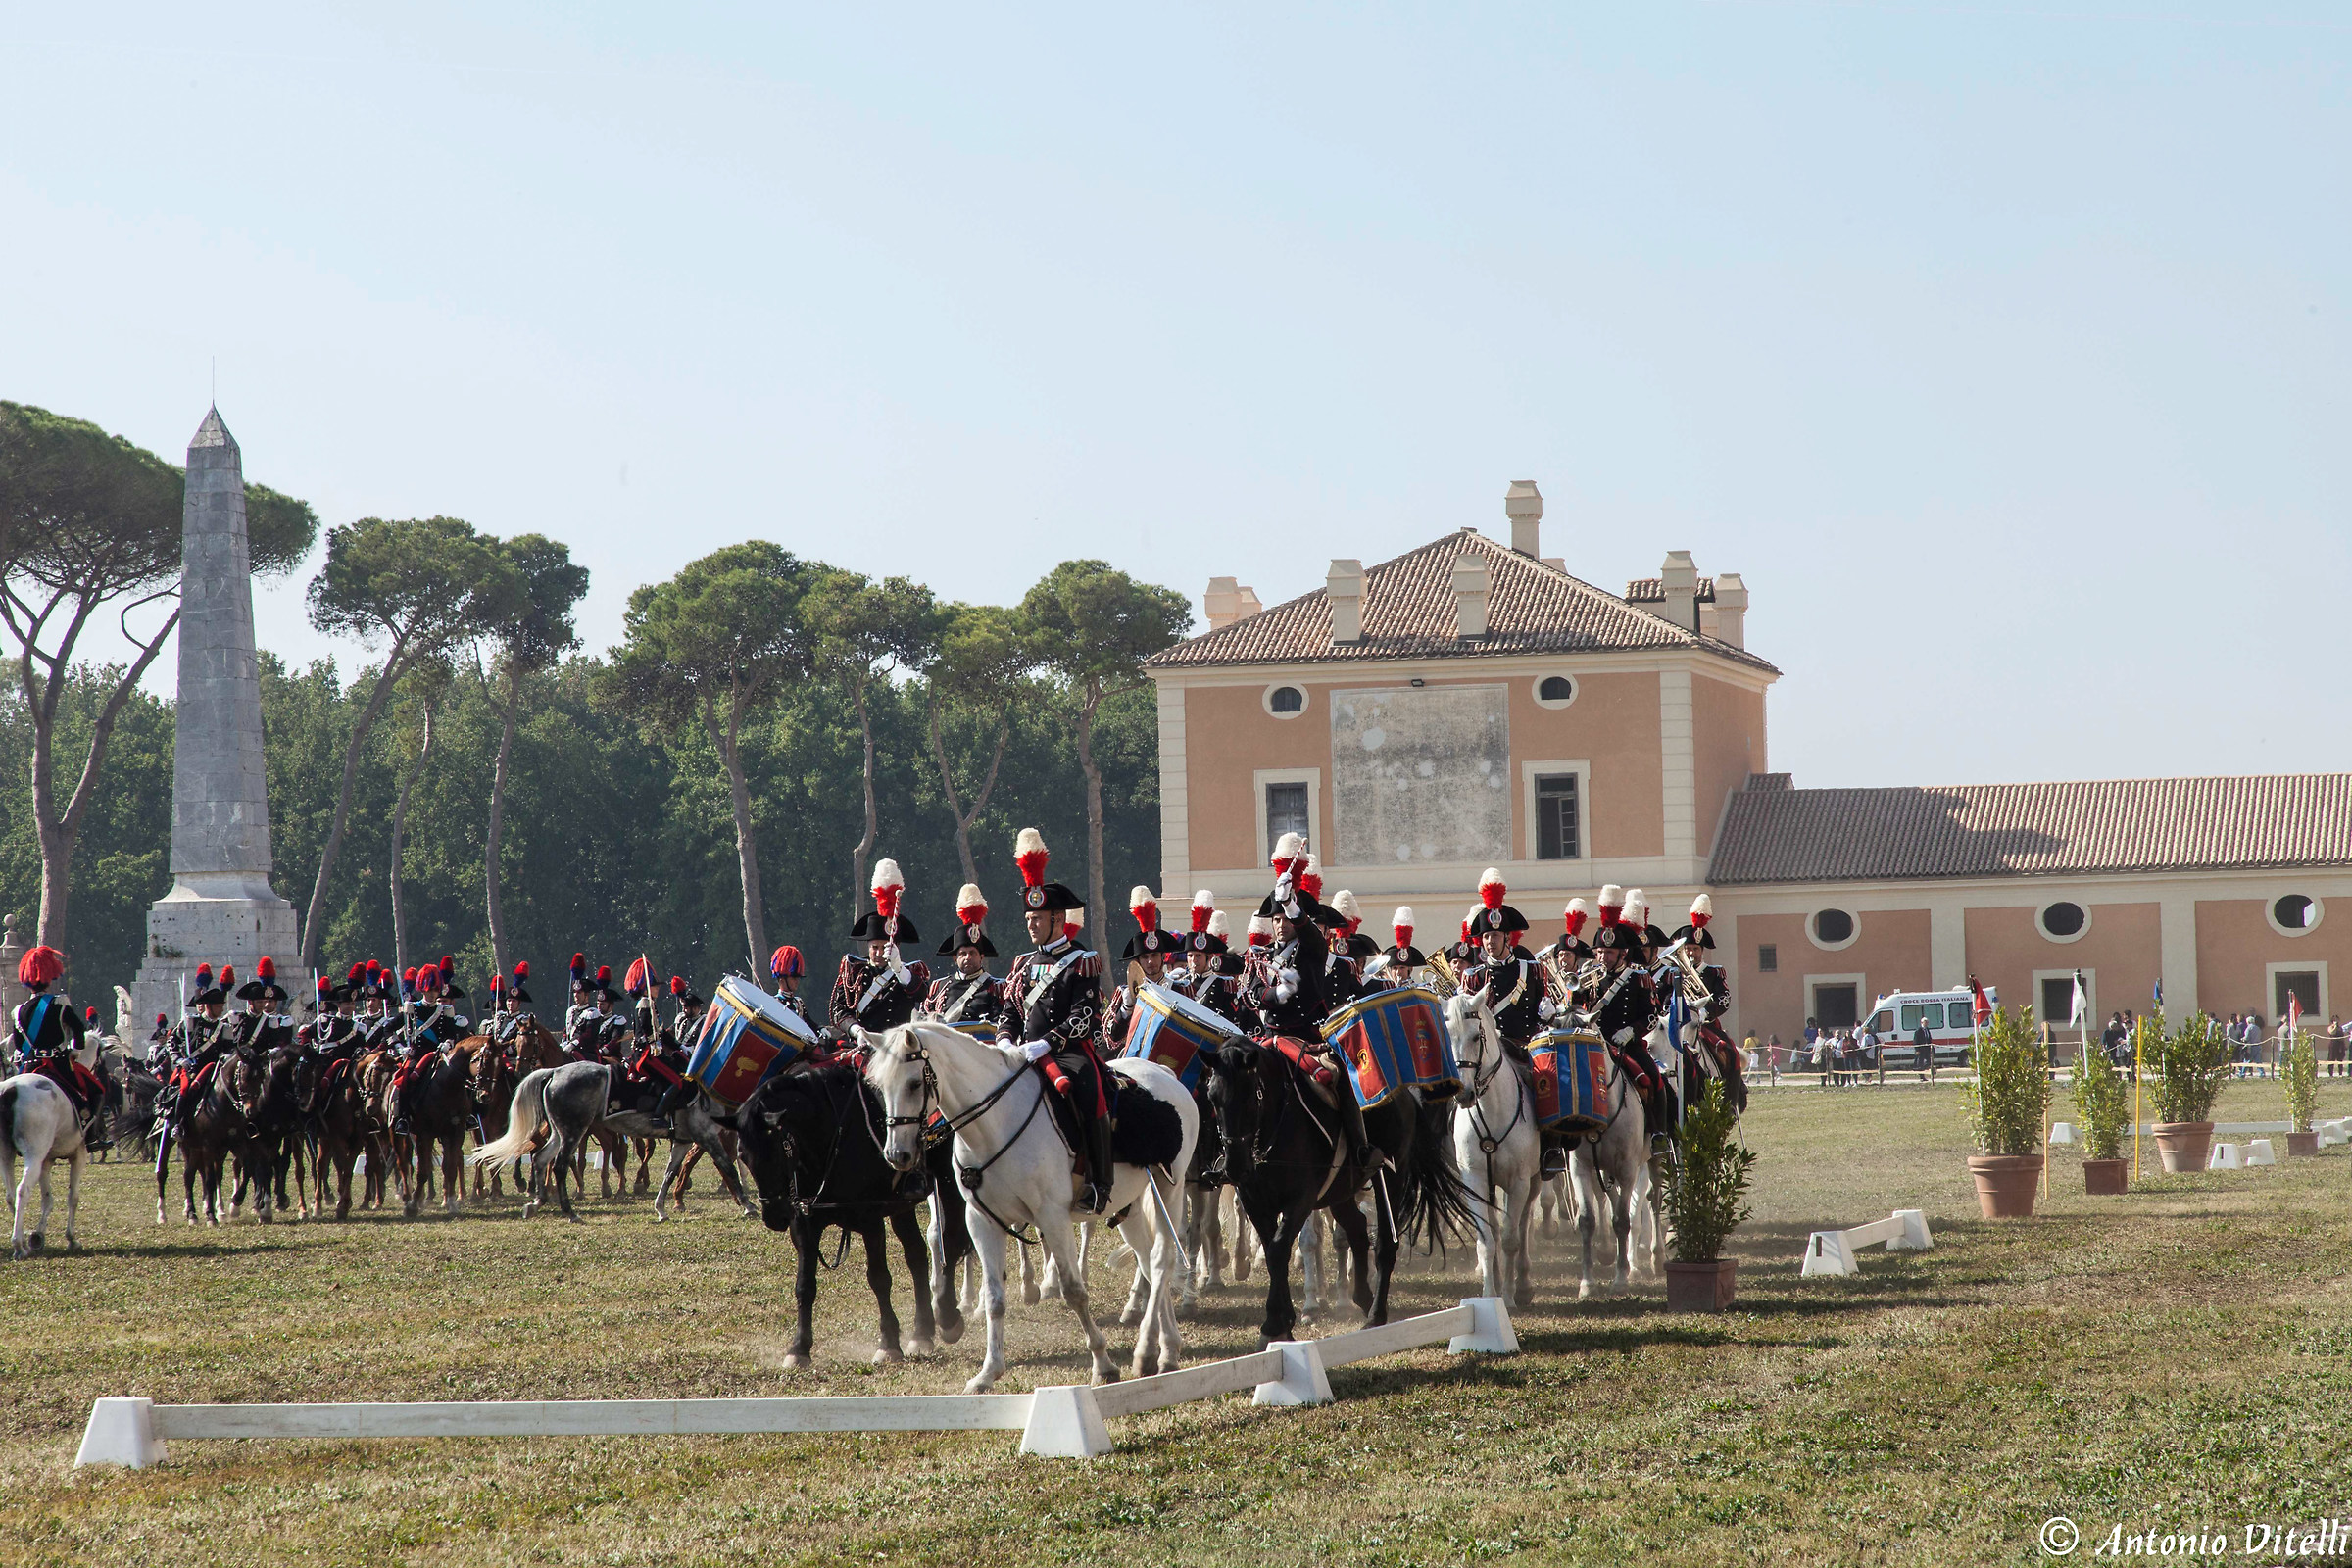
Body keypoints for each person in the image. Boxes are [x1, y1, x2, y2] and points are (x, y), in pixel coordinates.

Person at [1243, 834, 1379, 1173]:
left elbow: (1312, 935)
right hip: (1266, 1040)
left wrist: (1292, 904)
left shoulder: (1312, 950)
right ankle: (1230, 1154)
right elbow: (1248, 992)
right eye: (1275, 919)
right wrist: (1272, 996)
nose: (1280, 924)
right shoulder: (1261, 956)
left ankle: (1360, 1150)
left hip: (1308, 1040)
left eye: (1285, 918)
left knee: (1339, 1077)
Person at [997, 827, 1114, 1213]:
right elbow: (1012, 1008)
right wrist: (1004, 1038)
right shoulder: (1022, 963)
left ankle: (1100, 1183)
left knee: (1089, 1090)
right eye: (1028, 918)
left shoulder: (1082, 960)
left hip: (1068, 1053)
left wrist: (1047, 1042)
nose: (1030, 924)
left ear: (1058, 918)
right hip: (1022, 1052)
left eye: (1038, 918)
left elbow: (1085, 1016)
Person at [1456, 869, 1571, 1179]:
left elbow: (1545, 1010)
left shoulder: (1531, 970)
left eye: (1495, 936)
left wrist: (1548, 1013)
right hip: (1486, 1050)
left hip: (1523, 1047)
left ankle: (1550, 1150)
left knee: (1548, 1085)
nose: (1489, 942)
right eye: (1485, 937)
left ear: (1507, 937)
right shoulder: (1472, 977)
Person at [8, 944, 108, 1151]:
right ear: (48, 978)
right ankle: (91, 1136)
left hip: (29, 1066)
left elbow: (18, 1045)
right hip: (58, 1063)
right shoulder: (59, 1002)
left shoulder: (18, 1011)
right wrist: (77, 1051)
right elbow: (79, 1029)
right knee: (97, 1090)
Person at [830, 859, 931, 1041]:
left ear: (895, 947)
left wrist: (898, 968)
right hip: (860, 1043)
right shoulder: (854, 972)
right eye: (874, 947)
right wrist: (856, 1031)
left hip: (898, 1047)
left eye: (883, 947)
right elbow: (839, 1011)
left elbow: (922, 994)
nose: (877, 952)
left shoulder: (909, 972)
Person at [1103, 886, 1184, 1047]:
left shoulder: (1180, 989)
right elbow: (1111, 1039)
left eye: (1154, 955)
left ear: (1163, 957)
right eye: (1144, 957)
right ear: (1137, 962)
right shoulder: (1124, 993)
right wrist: (1126, 1009)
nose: (1150, 962)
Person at [926, 885, 1004, 1023]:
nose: (968, 957)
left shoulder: (995, 987)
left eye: (973, 953)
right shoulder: (939, 987)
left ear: (981, 956)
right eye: (963, 953)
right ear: (955, 958)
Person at [769, 946, 808, 1017]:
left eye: (798, 977)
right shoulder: (774, 1003)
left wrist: (821, 1028)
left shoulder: (798, 1002)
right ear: (782, 979)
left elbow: (810, 1023)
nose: (797, 981)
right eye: (794, 977)